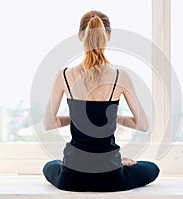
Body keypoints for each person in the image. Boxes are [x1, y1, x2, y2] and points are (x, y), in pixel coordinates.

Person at [42, 10, 159, 192]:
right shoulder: (121, 77)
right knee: (152, 168)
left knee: (50, 165)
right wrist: (111, 117)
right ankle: (117, 161)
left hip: (71, 177)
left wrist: (79, 117)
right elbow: (143, 125)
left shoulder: (63, 76)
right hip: (111, 177)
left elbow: (49, 123)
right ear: (108, 36)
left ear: (81, 35)